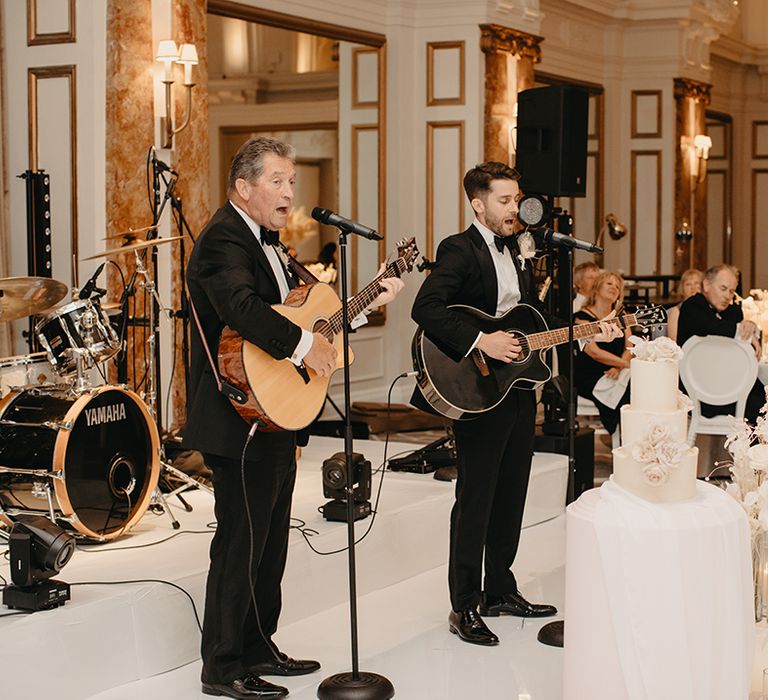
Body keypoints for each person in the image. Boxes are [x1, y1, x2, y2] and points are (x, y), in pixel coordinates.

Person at [184, 136, 403, 699]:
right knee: (242, 540)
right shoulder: (222, 240)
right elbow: (242, 309)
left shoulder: (274, 244)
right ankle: (223, 666)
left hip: (276, 413)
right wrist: (304, 350)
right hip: (237, 414)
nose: (288, 192)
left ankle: (259, 645)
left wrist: (369, 299)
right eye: (277, 181)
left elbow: (312, 315)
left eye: (292, 182)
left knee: (272, 539)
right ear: (243, 186)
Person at [410, 161, 619, 647]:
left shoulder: (522, 251)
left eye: (515, 198)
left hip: (518, 389)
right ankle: (464, 605)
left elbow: (530, 322)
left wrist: (591, 330)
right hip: (476, 389)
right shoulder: (457, 249)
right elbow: (427, 308)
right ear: (478, 203)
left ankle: (500, 589)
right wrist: (482, 340)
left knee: (511, 493)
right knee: (476, 498)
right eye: (503, 200)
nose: (514, 208)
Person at [677, 263, 764, 423]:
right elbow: (711, 326)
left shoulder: (733, 312)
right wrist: (743, 331)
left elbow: (746, 350)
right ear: (707, 285)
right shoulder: (692, 306)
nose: (728, 296)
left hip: (731, 389)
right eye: (723, 289)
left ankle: (752, 446)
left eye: (732, 291)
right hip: (699, 394)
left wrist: (750, 327)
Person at [574, 271, 633, 435]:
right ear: (597, 287)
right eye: (609, 283)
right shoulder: (581, 318)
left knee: (636, 384)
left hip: (617, 370)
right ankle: (626, 436)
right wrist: (626, 365)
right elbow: (594, 352)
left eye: (617, 286)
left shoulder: (622, 316)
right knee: (634, 383)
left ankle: (631, 436)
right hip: (590, 375)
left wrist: (619, 368)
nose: (614, 288)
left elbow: (630, 347)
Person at [666, 268, 703, 343]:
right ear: (682, 288)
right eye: (688, 284)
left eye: (696, 283)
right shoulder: (676, 311)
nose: (693, 287)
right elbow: (673, 341)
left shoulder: (708, 308)